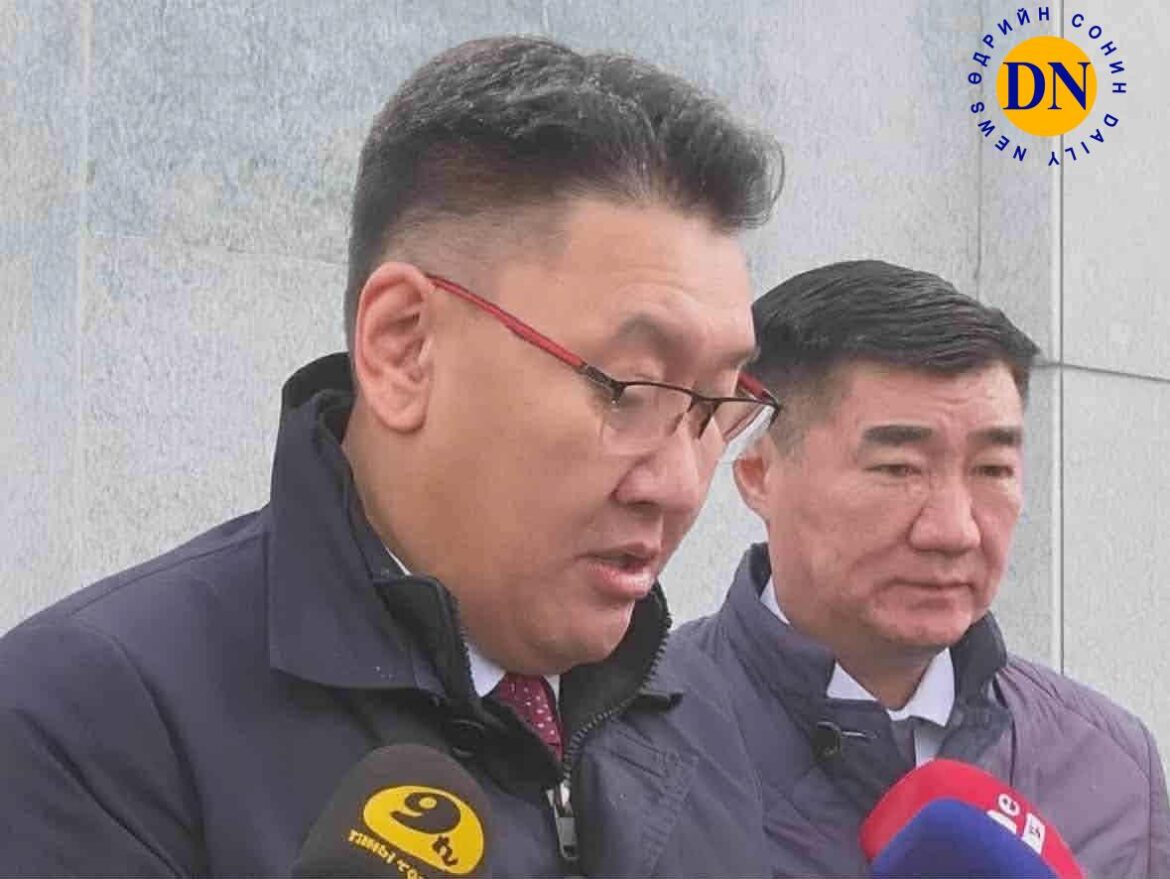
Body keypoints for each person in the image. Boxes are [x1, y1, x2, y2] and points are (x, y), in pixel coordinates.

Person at [0, 37, 784, 876]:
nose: (678, 485)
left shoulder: (697, 717)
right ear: (404, 345)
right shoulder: (94, 722)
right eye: (627, 388)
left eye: (713, 405)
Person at [674, 259, 1170, 877]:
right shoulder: (627, 748)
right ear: (758, 475)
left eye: (992, 470)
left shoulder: (1110, 769)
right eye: (898, 469)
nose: (954, 531)